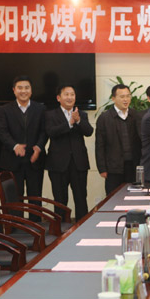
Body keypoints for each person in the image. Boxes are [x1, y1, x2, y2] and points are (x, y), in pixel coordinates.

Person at [0, 76, 47, 217]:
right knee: (14, 199)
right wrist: (14, 146)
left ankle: (36, 226)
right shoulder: (4, 109)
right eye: (20, 88)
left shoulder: (41, 108)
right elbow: (2, 131)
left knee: (35, 198)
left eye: (26, 88)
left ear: (31, 90)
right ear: (14, 90)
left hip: (34, 160)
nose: (23, 91)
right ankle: (15, 228)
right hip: (12, 160)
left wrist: (39, 147)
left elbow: (44, 131)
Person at [45, 85, 93, 222]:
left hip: (79, 163)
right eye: (66, 94)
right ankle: (60, 230)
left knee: (81, 198)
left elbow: (89, 132)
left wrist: (78, 121)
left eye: (72, 94)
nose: (70, 97)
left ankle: (82, 227)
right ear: (58, 98)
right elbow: (51, 132)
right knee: (60, 200)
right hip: (58, 164)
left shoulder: (81, 114)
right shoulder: (50, 114)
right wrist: (69, 123)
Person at [95, 84, 142, 195]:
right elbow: (100, 145)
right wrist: (102, 168)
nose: (126, 99)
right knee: (113, 198)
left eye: (128, 96)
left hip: (133, 166)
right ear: (113, 98)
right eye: (122, 97)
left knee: (134, 197)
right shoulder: (105, 118)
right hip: (113, 168)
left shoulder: (135, 115)